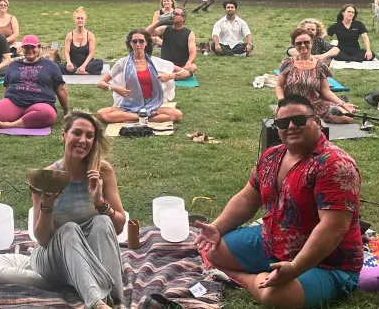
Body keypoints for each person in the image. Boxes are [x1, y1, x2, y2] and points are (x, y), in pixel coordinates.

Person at [196, 94, 363, 308]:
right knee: (212, 249)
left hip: (328, 263)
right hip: (273, 242)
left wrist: (294, 269)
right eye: (283, 122)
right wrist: (217, 227)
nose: (291, 126)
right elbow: (247, 198)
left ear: (317, 121)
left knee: (275, 297)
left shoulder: (335, 164)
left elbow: (333, 229)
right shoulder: (271, 156)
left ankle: (248, 279)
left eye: (300, 120)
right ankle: (263, 275)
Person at [29, 110, 126, 309]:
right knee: (70, 229)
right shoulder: (47, 177)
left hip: (90, 257)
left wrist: (99, 202)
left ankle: (117, 301)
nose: (83, 140)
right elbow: (42, 239)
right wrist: (47, 206)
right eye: (77, 133)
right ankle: (96, 303)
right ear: (64, 135)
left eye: (89, 136)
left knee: (102, 221)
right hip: (52, 258)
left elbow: (118, 227)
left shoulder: (103, 172)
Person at [95, 28, 184, 125]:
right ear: (130, 43)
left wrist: (170, 76)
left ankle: (136, 118)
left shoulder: (155, 62)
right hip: (130, 105)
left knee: (177, 114)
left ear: (146, 43)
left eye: (141, 41)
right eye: (134, 41)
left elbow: (185, 72)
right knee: (101, 114)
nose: (138, 44)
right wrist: (113, 88)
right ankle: (144, 117)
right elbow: (100, 83)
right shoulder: (122, 63)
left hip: (153, 105)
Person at [0, 36, 70, 130]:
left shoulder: (50, 65)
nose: (30, 50)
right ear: (22, 49)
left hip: (41, 103)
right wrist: (4, 103)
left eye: (33, 47)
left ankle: (9, 125)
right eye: (26, 48)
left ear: (39, 48)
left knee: (48, 115)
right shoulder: (13, 65)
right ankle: (26, 118)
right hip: (15, 102)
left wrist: (66, 110)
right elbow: (7, 88)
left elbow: (60, 89)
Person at [276, 30, 355, 123]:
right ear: (294, 45)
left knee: (347, 117)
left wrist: (342, 104)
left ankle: (316, 117)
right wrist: (282, 102)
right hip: (293, 104)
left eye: (306, 42)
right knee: (298, 121)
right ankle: (313, 118)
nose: (302, 45)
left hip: (315, 103)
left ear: (311, 43)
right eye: (298, 43)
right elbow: (279, 86)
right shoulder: (288, 63)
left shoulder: (320, 65)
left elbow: (325, 91)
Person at [147, 8, 198, 77]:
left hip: (181, 65)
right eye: (172, 13)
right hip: (166, 64)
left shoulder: (189, 33)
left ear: (183, 18)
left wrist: (189, 63)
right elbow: (146, 33)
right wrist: (159, 22)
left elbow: (193, 52)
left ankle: (170, 76)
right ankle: (180, 75)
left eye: (176, 14)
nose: (173, 15)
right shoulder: (165, 29)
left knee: (194, 66)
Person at [64, 7, 104, 75]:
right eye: (78, 18)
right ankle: (83, 71)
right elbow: (66, 52)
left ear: (85, 21)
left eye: (82, 18)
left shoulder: (90, 35)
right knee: (60, 66)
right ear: (74, 21)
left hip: (87, 63)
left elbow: (91, 53)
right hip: (74, 63)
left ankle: (77, 71)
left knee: (99, 62)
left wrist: (83, 66)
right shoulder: (69, 35)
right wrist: (68, 62)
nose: (80, 20)